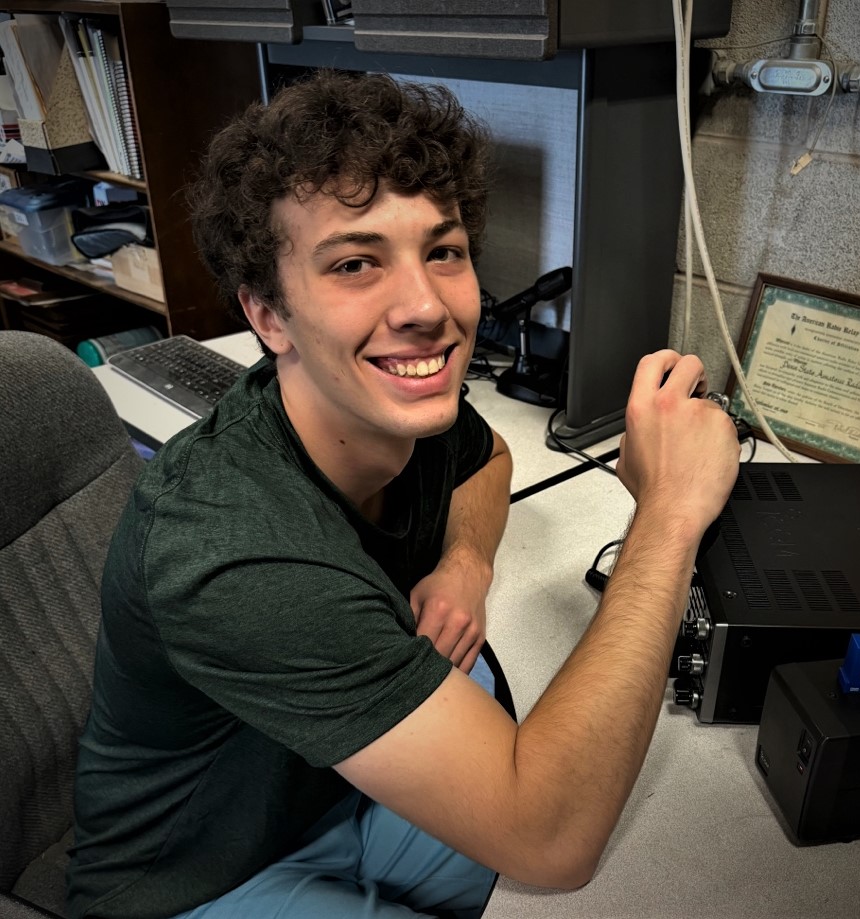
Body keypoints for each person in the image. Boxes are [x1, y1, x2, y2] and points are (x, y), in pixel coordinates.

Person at [67, 69, 740, 919]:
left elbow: (486, 454)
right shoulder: (233, 548)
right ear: (268, 317)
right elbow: (552, 839)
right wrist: (669, 514)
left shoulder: (393, 414)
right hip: (205, 877)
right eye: (355, 263)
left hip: (335, 782)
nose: (425, 306)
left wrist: (464, 561)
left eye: (443, 251)